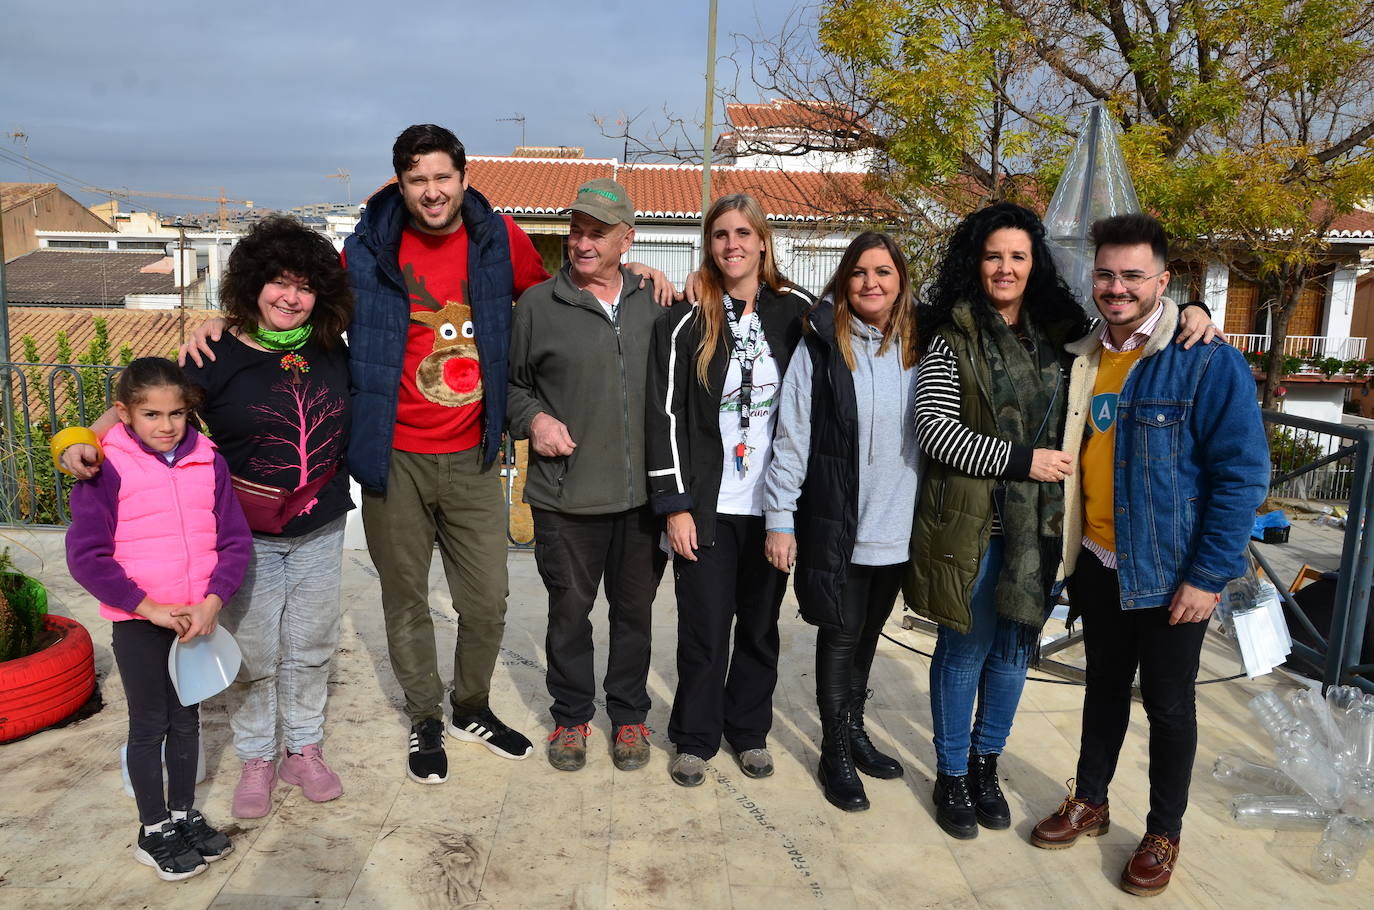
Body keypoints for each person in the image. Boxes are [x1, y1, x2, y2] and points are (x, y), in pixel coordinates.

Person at [906, 203, 1218, 840]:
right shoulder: (953, 333)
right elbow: (935, 433)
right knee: (966, 649)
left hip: (1045, 530)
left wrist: (1192, 311)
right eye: (994, 255)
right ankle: (952, 773)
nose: (1006, 267)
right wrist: (1025, 461)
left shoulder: (1063, 329)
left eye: (1018, 256)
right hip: (975, 524)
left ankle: (987, 763)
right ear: (975, 260)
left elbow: (1135, 323)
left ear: (1035, 263)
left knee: (1016, 652)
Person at [58, 216, 357, 818]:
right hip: (245, 536)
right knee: (253, 649)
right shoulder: (211, 353)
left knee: (312, 644)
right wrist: (77, 441)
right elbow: (142, 407)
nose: (290, 297)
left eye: (303, 286)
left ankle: (304, 748)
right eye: (277, 282)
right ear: (252, 285)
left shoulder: (332, 347)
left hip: (321, 525)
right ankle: (256, 757)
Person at [1029, 213, 1266, 897]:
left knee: (1169, 707)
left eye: (1133, 275)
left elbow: (1242, 476)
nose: (1117, 287)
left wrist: (1208, 574)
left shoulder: (1205, 360)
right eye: (1106, 273)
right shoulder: (1084, 352)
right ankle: (1092, 800)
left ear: (1164, 280)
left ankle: (1164, 831)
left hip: (1170, 574)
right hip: (1098, 560)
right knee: (1102, 689)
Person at [646, 193, 813, 786]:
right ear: (708, 245)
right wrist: (675, 507)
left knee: (761, 628)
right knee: (704, 629)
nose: (732, 244)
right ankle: (695, 735)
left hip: (773, 508)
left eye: (743, 233)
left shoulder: (797, 313)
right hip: (708, 508)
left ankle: (749, 730)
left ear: (763, 241)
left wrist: (794, 514)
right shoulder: (687, 321)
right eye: (720, 235)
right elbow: (662, 415)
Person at [64, 358, 252, 881]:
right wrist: (145, 606)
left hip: (195, 619)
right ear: (123, 413)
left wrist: (213, 600)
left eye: (177, 413)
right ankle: (153, 829)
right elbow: (87, 556)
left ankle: (182, 813)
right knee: (150, 725)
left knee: (187, 719)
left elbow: (233, 540)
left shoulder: (207, 460)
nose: (166, 426)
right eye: (150, 414)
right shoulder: (107, 468)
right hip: (141, 620)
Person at [507, 179, 667, 772]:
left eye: (598, 232)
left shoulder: (656, 301)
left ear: (627, 238)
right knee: (568, 615)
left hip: (640, 498)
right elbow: (511, 388)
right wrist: (536, 419)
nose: (582, 242)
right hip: (564, 497)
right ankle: (571, 717)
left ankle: (628, 717)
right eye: (576, 230)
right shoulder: (536, 307)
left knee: (635, 614)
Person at [763, 231, 921, 811]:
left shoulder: (921, 341)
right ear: (844, 281)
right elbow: (792, 436)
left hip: (899, 524)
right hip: (839, 523)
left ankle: (853, 730)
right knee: (838, 636)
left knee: (867, 636)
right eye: (859, 272)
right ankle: (834, 750)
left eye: (883, 272)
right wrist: (780, 518)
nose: (871, 283)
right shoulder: (822, 346)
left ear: (900, 279)